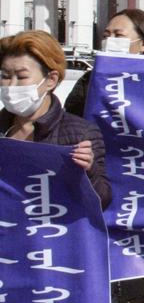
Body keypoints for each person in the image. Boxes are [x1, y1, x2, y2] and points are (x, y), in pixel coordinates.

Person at [63, 8, 144, 303]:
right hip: (91, 209)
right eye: (106, 32)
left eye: (118, 33)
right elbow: (66, 126)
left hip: (139, 216)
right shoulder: (91, 80)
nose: (109, 39)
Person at [0, 31, 110, 208]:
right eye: (5, 76)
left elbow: (102, 200)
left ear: (51, 80)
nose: (11, 85)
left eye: (21, 77)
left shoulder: (80, 133)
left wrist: (89, 170)